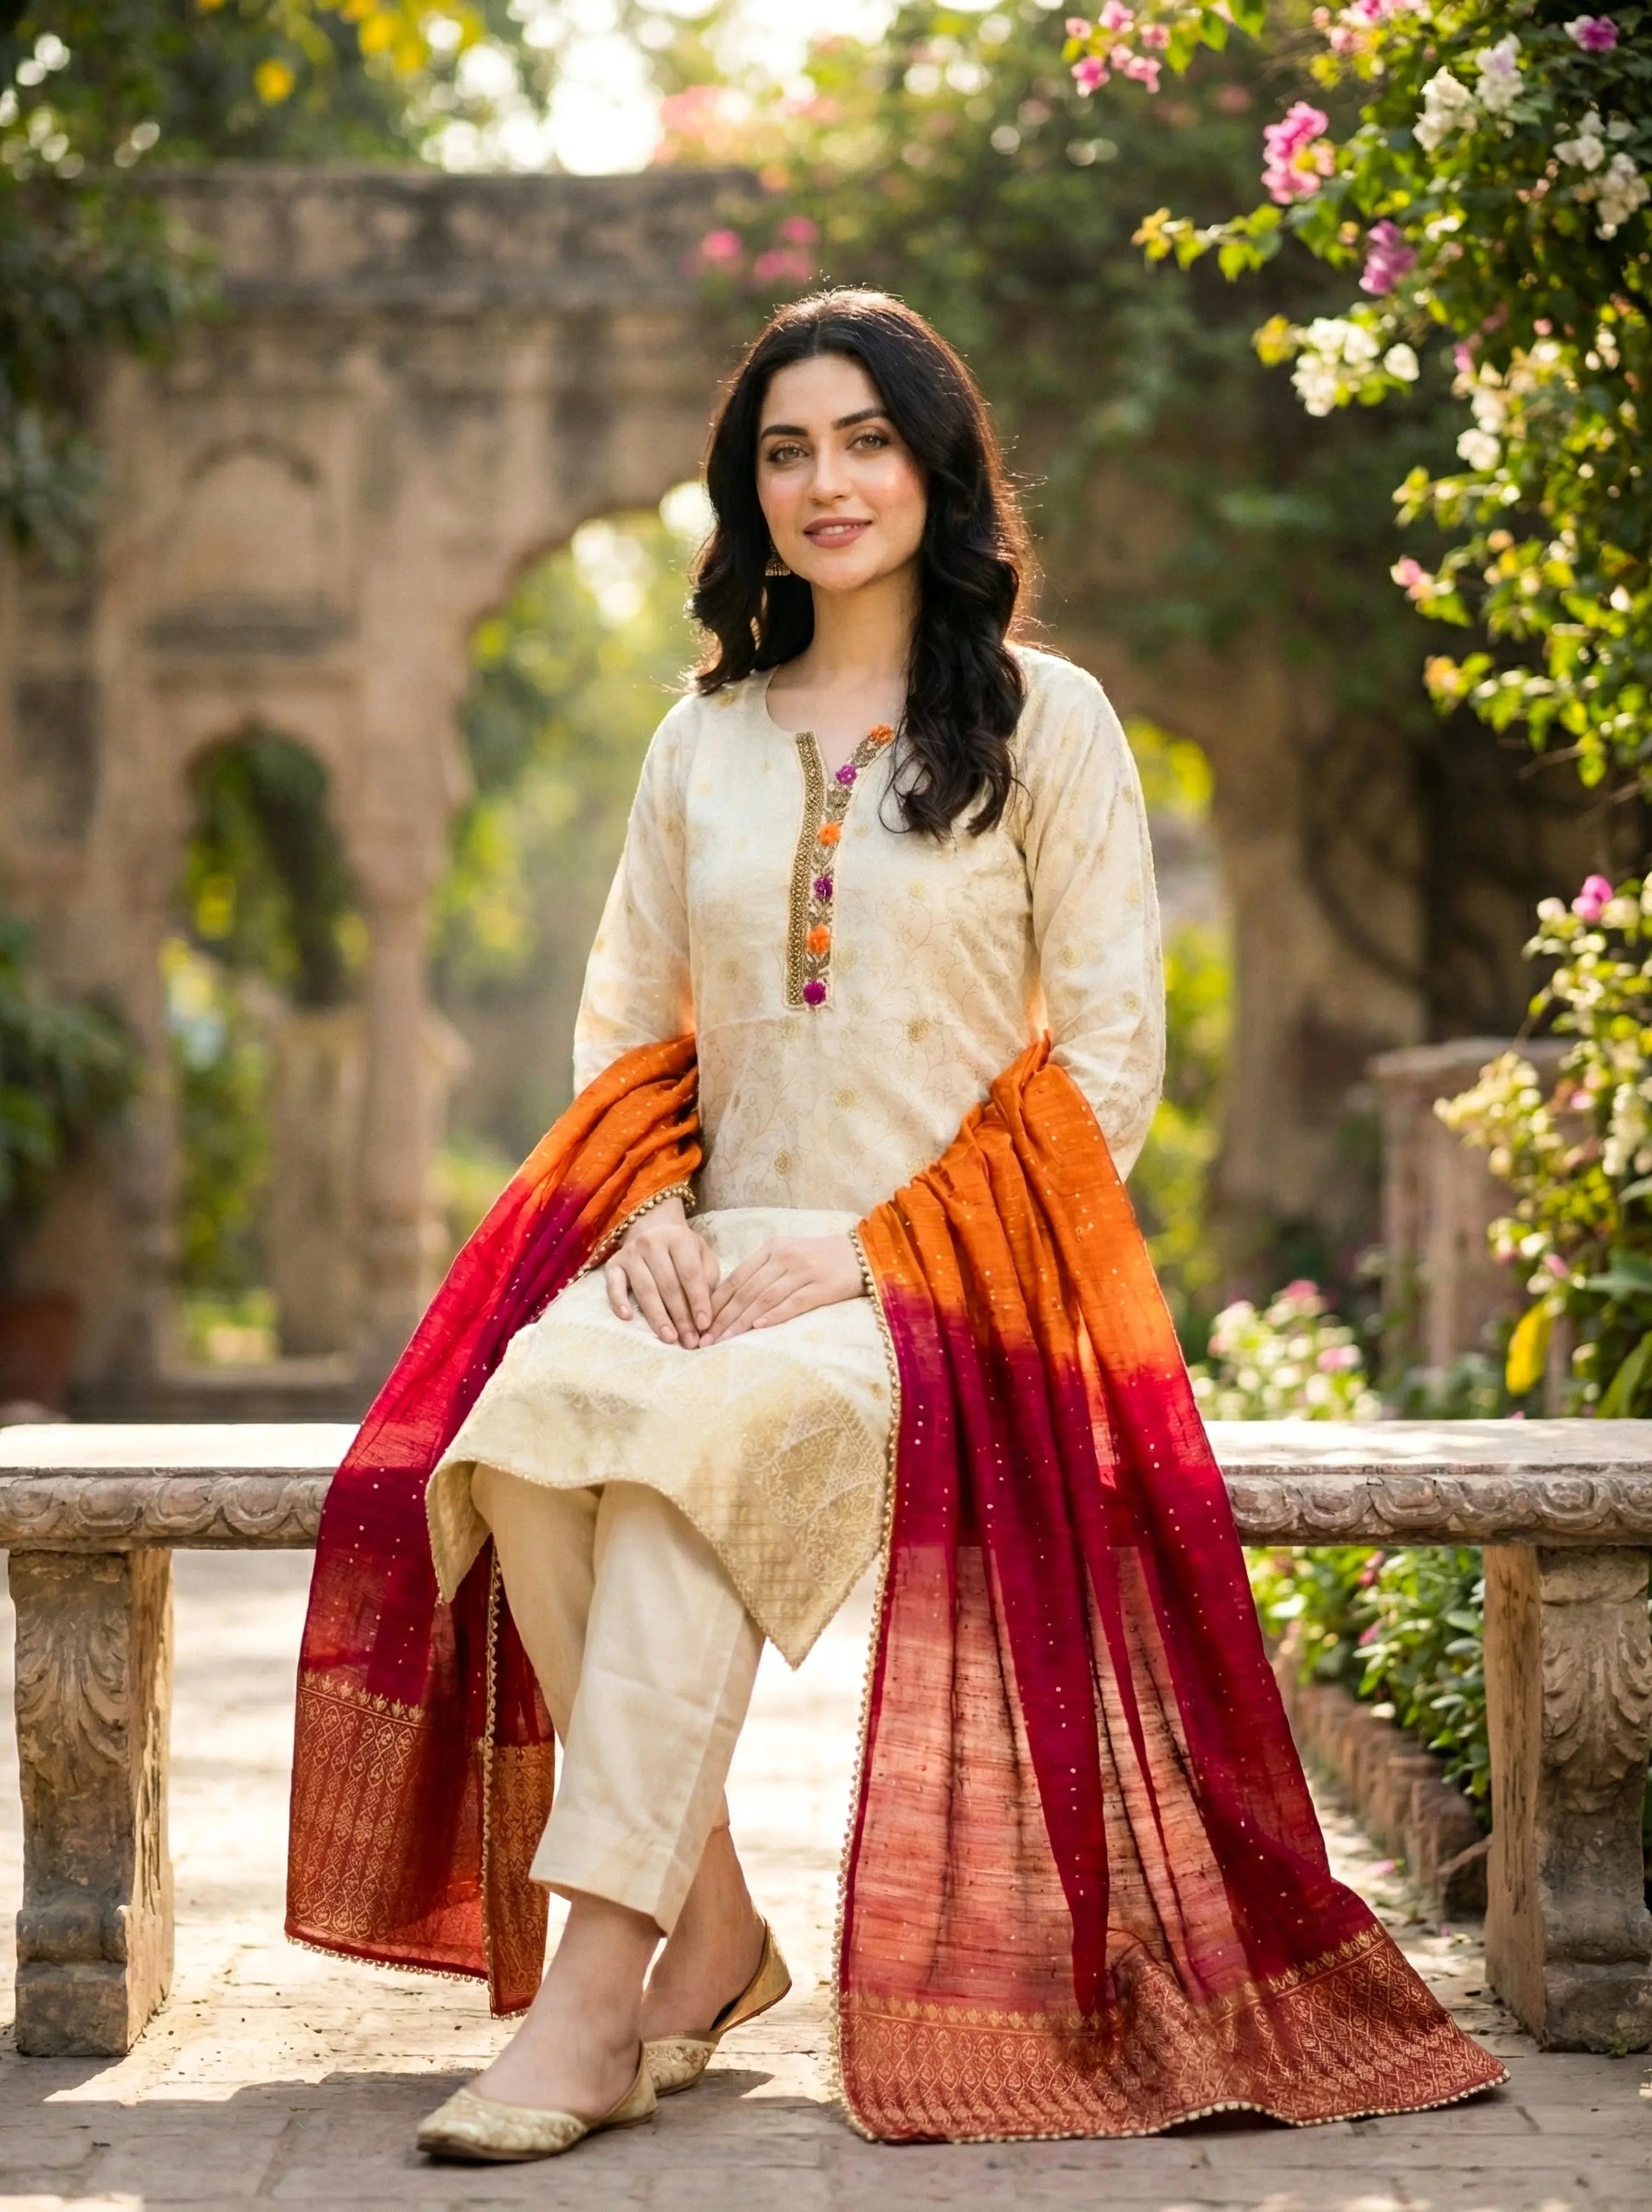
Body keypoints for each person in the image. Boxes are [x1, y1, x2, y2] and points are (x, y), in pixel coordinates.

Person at [286, 289, 1505, 2161]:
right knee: (520, 1432)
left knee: (685, 1458)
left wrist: (867, 1253)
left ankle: (592, 2001)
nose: (824, 480)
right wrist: (654, 1220)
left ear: (936, 469)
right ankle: (705, 1936)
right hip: (709, 1246)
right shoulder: (697, 740)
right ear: (746, 486)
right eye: (786, 448)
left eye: (863, 440)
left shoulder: (1044, 720)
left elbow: (1106, 1063)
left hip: (944, 1277)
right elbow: (626, 1022)